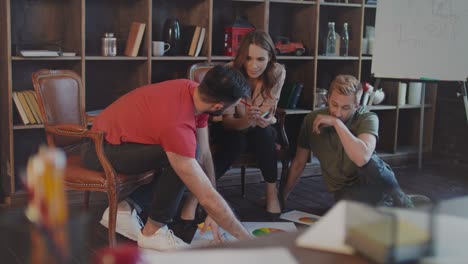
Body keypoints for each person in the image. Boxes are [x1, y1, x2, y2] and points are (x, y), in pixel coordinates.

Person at [80, 65, 252, 251]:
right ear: (218, 106)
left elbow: (204, 153)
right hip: (98, 150)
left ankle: (125, 208)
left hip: (117, 143)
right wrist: (250, 242)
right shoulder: (177, 126)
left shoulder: (193, 91)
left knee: (187, 155)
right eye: (235, 105)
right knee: (183, 157)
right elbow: (207, 196)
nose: (236, 107)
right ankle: (153, 232)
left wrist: (212, 212)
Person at [179, 30, 286, 222]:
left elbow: (269, 111)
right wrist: (248, 120)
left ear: (270, 58)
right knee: (237, 142)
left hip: (258, 128)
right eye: (249, 58)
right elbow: (227, 120)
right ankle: (200, 194)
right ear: (241, 57)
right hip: (229, 126)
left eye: (261, 59)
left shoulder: (277, 72)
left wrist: (267, 120)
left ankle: (272, 194)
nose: (254, 66)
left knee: (265, 134)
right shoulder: (231, 71)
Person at [281, 75, 413, 207]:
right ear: (328, 98)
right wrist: (281, 197)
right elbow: (299, 163)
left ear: (356, 105)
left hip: (372, 181)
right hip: (345, 190)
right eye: (334, 104)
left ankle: (402, 200)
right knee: (359, 218)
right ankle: (385, 206)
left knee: (371, 162)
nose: (337, 112)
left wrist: (337, 124)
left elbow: (362, 158)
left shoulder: (368, 118)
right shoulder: (311, 120)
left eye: (345, 108)